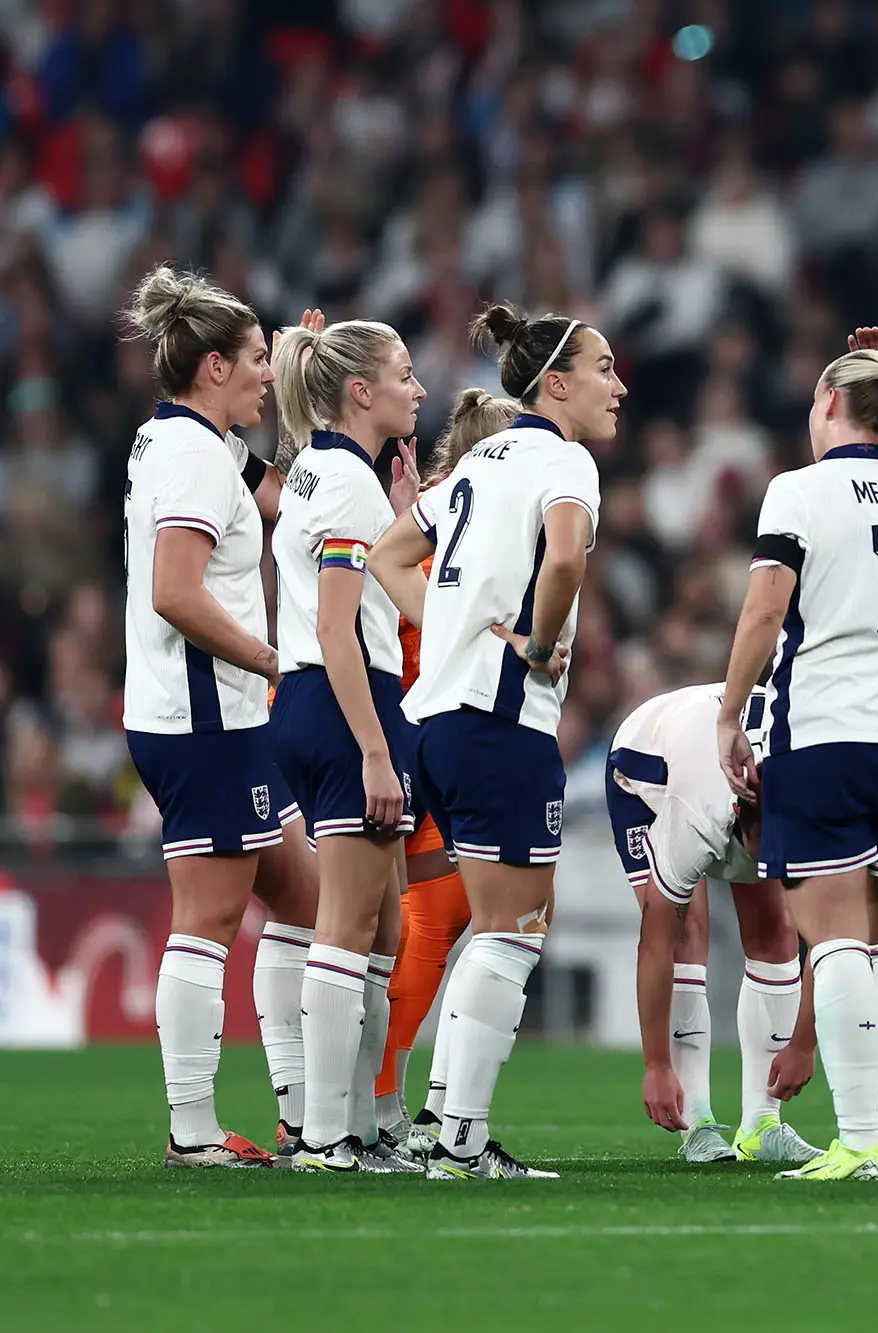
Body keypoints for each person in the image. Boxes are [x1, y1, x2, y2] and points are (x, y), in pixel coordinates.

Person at [367, 302, 622, 1180]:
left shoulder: (480, 458)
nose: (617, 385)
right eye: (603, 367)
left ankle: (445, 1125)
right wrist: (542, 644)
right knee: (513, 929)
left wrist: (446, 628)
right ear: (556, 383)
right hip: (500, 720)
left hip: (436, 720)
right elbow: (564, 559)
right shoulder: (566, 460)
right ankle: (460, 1138)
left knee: (494, 926)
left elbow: (389, 556)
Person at [716, 332, 878, 1182]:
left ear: (826, 403)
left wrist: (728, 710)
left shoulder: (798, 490)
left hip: (825, 731)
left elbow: (762, 614)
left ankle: (856, 1140)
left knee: (837, 937)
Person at [120, 265, 305, 1167]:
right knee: (208, 920)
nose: (267, 374)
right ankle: (192, 1130)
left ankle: (304, 1114)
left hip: (218, 717)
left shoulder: (192, 437)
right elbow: (173, 592)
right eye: (262, 359)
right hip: (205, 721)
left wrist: (309, 382)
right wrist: (275, 659)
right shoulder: (194, 455)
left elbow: (289, 501)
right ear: (216, 367)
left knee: (308, 899)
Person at [268, 315, 428, 1172]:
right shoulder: (345, 487)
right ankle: (329, 1135)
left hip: (312, 700)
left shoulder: (316, 473)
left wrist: (401, 519)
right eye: (404, 373)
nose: (419, 388)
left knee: (384, 924)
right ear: (360, 391)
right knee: (347, 924)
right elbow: (339, 629)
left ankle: (358, 1125)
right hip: (345, 706)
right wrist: (373, 750)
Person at [607, 679, 820, 1164]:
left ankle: (763, 1124)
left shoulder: (817, 802)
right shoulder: (700, 816)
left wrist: (803, 1044)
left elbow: (833, 941)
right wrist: (657, 1065)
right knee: (687, 931)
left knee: (777, 931)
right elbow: (656, 943)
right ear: (744, 822)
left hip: (729, 750)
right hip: (649, 772)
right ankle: (697, 1121)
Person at [374, 389, 506, 1159]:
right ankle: (388, 1100)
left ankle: (408, 1100)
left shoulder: (430, 507)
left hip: (414, 724)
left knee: (430, 918)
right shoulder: (470, 510)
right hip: (424, 726)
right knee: (432, 917)